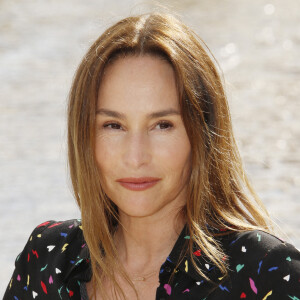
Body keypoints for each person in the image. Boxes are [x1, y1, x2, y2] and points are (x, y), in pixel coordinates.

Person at [3, 12, 300, 300]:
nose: (135, 158)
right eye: (113, 125)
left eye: (162, 125)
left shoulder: (267, 272)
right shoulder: (48, 261)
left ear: (203, 133)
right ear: (84, 137)